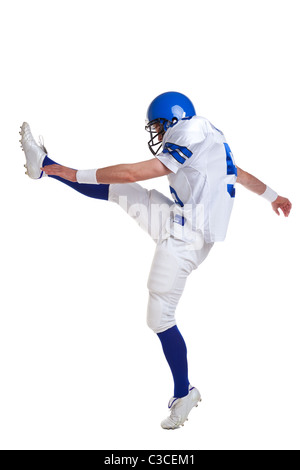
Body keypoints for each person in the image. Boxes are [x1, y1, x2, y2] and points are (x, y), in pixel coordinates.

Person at [20, 91, 292, 429]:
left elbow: (134, 171)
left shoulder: (189, 134)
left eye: (158, 127)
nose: (157, 134)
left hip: (186, 240)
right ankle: (44, 167)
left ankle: (184, 393)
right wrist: (273, 196)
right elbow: (237, 172)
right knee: (122, 194)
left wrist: (75, 174)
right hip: (181, 219)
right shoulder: (209, 134)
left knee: (159, 317)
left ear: (172, 122)